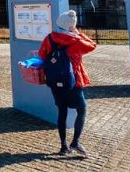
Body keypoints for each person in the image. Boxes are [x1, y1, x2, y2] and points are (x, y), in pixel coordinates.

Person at [38, 10, 96, 157]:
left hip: (55, 81)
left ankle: (63, 146)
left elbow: (42, 55)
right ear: (71, 25)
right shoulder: (75, 41)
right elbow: (92, 45)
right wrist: (77, 32)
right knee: (81, 110)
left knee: (62, 112)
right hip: (73, 81)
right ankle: (75, 142)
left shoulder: (50, 38)